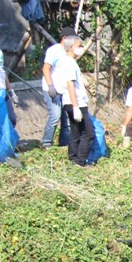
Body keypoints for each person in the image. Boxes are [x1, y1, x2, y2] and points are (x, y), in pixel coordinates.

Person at [51, 34, 93, 166]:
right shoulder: (69, 63)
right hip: (76, 103)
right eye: (79, 46)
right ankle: (80, 161)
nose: (81, 48)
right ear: (71, 48)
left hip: (70, 102)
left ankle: (72, 158)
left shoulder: (67, 62)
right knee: (88, 133)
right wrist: (76, 107)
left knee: (75, 132)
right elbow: (70, 84)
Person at [41, 27, 78, 148]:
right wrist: (50, 85)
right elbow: (46, 68)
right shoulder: (54, 50)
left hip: (64, 90)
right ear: (64, 38)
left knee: (66, 118)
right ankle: (47, 142)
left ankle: (64, 143)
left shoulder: (68, 52)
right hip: (52, 89)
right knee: (55, 116)